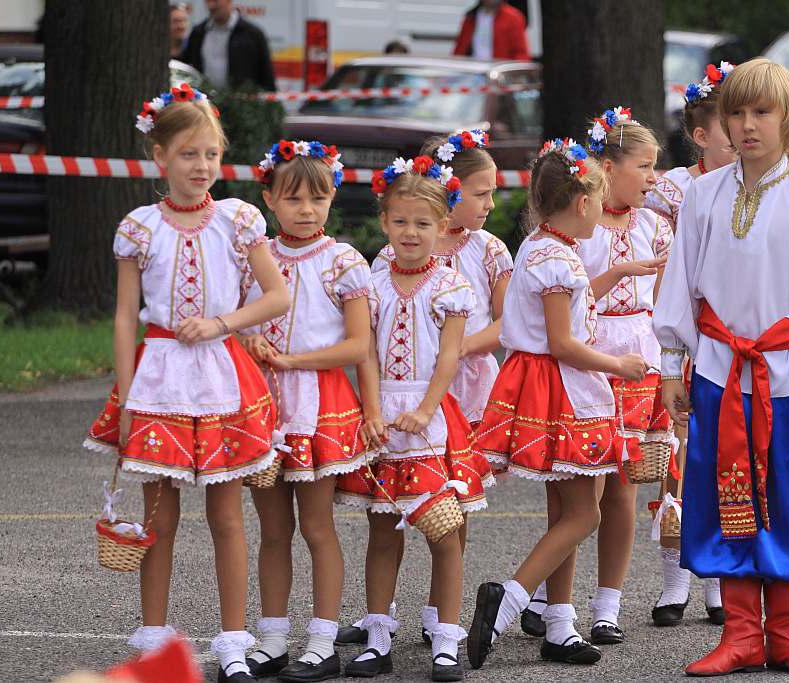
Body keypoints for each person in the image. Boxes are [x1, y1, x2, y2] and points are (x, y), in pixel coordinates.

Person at [653, 58, 789, 676]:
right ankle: (741, 635)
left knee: (787, 497)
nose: (748, 125)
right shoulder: (701, 195)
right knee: (727, 495)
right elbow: (683, 284)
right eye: (738, 113)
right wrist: (673, 363)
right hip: (720, 372)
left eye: (762, 112)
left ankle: (784, 633)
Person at [84, 84, 290, 683]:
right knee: (159, 517)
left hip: (223, 375)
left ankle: (232, 640)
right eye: (188, 154)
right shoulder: (140, 227)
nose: (202, 167)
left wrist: (224, 322)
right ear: (160, 158)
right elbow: (127, 317)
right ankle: (155, 640)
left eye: (211, 154)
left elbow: (274, 295)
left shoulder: (240, 220)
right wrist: (126, 395)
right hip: (159, 378)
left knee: (228, 515)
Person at [466, 139, 648, 670]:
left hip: (552, 384)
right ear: (583, 202)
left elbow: (563, 312)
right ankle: (510, 599)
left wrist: (609, 279)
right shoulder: (557, 257)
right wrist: (620, 366)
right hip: (563, 388)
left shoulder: (540, 247)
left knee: (567, 508)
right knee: (584, 512)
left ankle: (559, 622)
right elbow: (563, 342)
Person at [338, 130, 511, 648]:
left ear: (440, 221)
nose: (410, 232)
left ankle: (443, 624)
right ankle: (379, 627)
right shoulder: (375, 273)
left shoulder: (466, 269)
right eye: (400, 222)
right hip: (389, 403)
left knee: (447, 515)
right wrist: (372, 406)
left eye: (422, 223)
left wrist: (436, 389)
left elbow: (477, 340)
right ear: (385, 221)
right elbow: (365, 346)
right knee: (384, 519)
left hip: (448, 400)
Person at [518, 108, 667, 646]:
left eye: (656, 168)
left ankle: (607, 603)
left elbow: (668, 298)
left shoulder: (653, 225)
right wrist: (620, 273)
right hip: (592, 355)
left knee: (621, 488)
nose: (654, 178)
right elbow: (576, 305)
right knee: (573, 490)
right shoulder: (580, 229)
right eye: (644, 166)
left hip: (639, 356)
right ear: (607, 167)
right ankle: (551, 602)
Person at [239, 140, 372, 681]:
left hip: (320, 403)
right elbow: (239, 320)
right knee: (272, 530)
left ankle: (322, 639)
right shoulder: (255, 256)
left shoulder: (343, 260)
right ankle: (271, 639)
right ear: (269, 198)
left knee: (317, 526)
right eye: (293, 198)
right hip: (262, 404)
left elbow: (358, 346)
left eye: (318, 198)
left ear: (332, 197)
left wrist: (293, 359)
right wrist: (248, 343)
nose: (307, 209)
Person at [644, 63, 739, 630]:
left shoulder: (755, 184)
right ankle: (675, 578)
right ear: (702, 136)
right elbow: (656, 263)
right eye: (728, 132)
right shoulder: (674, 190)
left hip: (734, 336)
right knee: (675, 456)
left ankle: (721, 582)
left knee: (727, 453)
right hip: (686, 333)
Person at [182, 0, 276, 91]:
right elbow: (187, 68)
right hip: (204, 103)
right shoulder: (198, 33)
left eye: (215, 1)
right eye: (207, 1)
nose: (211, 6)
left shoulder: (252, 34)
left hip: (241, 103)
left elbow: (266, 74)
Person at [453, 0, 530, 61]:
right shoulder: (471, 17)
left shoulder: (513, 17)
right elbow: (460, 48)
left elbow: (520, 53)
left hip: (499, 73)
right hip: (473, 70)